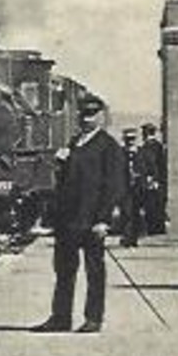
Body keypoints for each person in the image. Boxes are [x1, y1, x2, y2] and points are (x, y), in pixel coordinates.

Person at [34, 95, 127, 334]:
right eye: (83, 115)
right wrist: (60, 163)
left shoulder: (109, 146)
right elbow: (67, 182)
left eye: (91, 115)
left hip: (92, 219)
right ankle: (60, 318)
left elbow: (114, 185)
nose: (86, 119)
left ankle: (93, 319)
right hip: (68, 219)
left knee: (94, 270)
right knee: (64, 270)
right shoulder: (75, 142)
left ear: (101, 117)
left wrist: (104, 219)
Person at [135, 122, 168, 235]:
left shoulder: (154, 147)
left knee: (154, 206)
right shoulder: (152, 146)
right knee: (152, 206)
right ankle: (154, 229)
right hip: (151, 180)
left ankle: (156, 229)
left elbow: (158, 165)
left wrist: (154, 179)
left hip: (154, 181)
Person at [119, 128, 143, 247]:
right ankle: (126, 237)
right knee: (126, 212)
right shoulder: (120, 153)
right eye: (128, 139)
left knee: (136, 213)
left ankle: (134, 238)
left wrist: (140, 175)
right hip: (124, 188)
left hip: (138, 188)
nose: (130, 142)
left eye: (132, 139)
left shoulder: (141, 153)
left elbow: (146, 168)